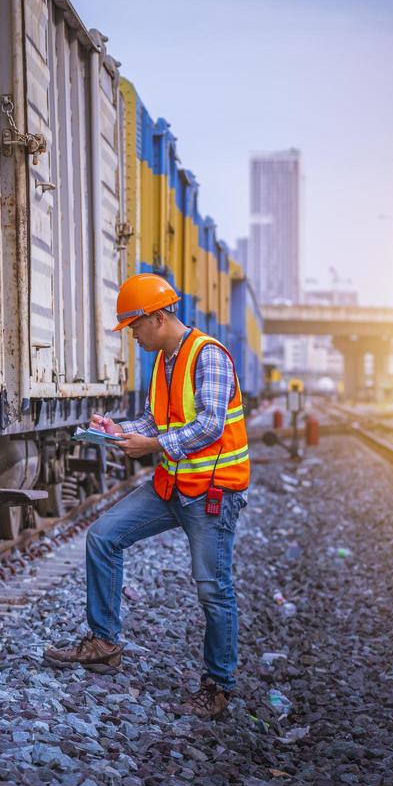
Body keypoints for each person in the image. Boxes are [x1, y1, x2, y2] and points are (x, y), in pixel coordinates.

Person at [43, 273, 249, 719]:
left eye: (134, 326)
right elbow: (157, 422)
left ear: (157, 318)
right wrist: (119, 431)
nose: (132, 336)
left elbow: (210, 425)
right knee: (103, 537)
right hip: (173, 486)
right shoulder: (164, 359)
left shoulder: (207, 355)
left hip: (211, 492)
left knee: (213, 588)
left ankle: (217, 687)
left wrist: (151, 446)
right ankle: (103, 643)